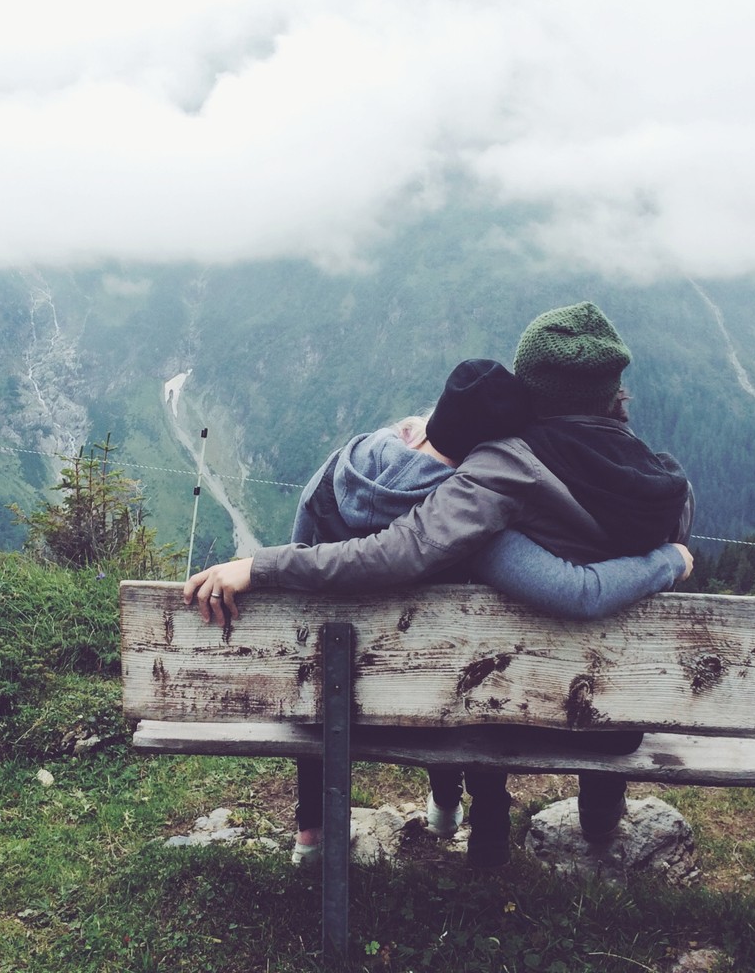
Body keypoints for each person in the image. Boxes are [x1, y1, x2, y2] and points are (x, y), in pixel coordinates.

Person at [185, 303, 693, 867]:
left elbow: (403, 551)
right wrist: (669, 560)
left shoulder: (506, 467)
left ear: (533, 390)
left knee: (478, 658)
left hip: (509, 707)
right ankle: (599, 819)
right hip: (614, 719)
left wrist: (262, 566)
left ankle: (475, 824)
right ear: (613, 391)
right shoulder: (667, 484)